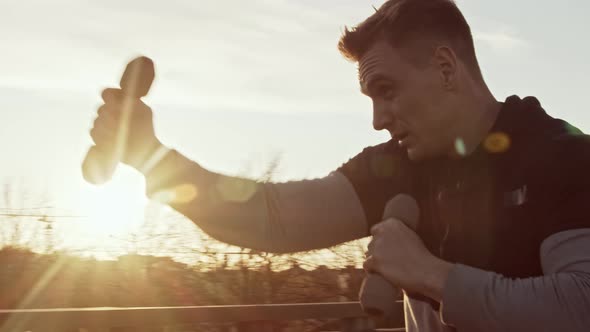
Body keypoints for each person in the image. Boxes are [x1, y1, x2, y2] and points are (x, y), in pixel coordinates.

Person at [88, 0, 590, 330]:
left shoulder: (562, 152)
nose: (377, 120)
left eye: (386, 91)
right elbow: (271, 217)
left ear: (445, 67)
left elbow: (580, 304)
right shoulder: (399, 165)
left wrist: (430, 275)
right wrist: (152, 159)